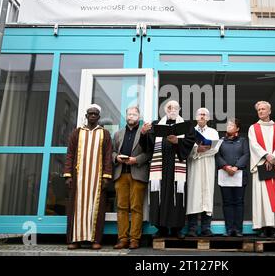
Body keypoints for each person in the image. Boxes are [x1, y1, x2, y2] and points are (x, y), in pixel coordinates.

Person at [140, 100, 196, 239]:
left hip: (177, 168)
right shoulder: (156, 125)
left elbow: (190, 142)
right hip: (160, 167)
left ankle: (177, 229)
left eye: (175, 107)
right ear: (165, 110)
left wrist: (178, 141)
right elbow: (148, 146)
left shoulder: (186, 126)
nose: (172, 109)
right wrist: (143, 134)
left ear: (179, 109)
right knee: (159, 195)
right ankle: (161, 229)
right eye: (169, 107)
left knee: (178, 195)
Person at [63, 104, 113, 250]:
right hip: (78, 178)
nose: (92, 116)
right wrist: (68, 175)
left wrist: (106, 177)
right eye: (90, 113)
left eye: (95, 114)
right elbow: (70, 154)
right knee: (75, 208)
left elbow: (108, 156)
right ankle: (74, 240)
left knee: (97, 209)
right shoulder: (76, 133)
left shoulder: (105, 134)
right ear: (86, 116)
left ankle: (95, 240)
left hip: (96, 180)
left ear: (99, 117)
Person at [112, 106, 152, 250]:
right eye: (129, 114)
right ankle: (122, 238)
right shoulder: (118, 134)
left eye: (134, 114)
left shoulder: (144, 133)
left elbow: (149, 153)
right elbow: (112, 152)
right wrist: (116, 157)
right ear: (126, 116)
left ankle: (134, 239)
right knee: (121, 207)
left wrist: (136, 160)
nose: (131, 116)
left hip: (138, 173)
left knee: (136, 207)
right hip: (121, 173)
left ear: (139, 117)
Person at [248, 101, 275, 238]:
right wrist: (266, 156)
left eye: (263, 109)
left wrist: (274, 157)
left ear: (269, 111)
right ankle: (264, 226)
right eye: (259, 109)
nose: (261, 111)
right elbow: (253, 145)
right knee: (262, 197)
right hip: (261, 165)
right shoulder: (253, 128)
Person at [186, 108, 220, 237]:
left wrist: (201, 150)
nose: (202, 116)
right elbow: (186, 148)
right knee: (193, 196)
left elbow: (215, 148)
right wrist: (196, 150)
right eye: (200, 114)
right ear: (196, 117)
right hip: (194, 165)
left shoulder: (213, 132)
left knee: (207, 195)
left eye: (205, 115)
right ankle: (192, 228)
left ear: (208, 118)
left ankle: (206, 228)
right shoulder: (190, 132)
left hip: (208, 166)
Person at [215, 118, 249, 237]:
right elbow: (217, 155)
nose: (228, 126)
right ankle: (229, 229)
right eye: (227, 125)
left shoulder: (243, 140)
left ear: (237, 128)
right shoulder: (221, 141)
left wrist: (236, 167)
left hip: (239, 175)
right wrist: (225, 166)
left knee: (239, 202)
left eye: (231, 125)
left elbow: (246, 154)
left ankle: (238, 230)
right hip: (224, 174)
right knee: (227, 202)